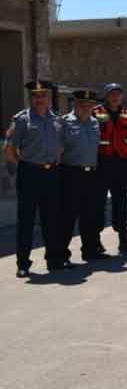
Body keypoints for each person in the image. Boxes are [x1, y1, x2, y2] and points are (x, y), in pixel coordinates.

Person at [4, 80, 63, 277]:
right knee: (26, 220)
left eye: (43, 95)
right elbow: (9, 149)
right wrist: (23, 166)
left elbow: (60, 147)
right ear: (31, 98)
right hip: (30, 173)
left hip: (51, 173)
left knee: (52, 219)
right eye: (36, 96)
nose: (40, 99)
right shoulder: (22, 120)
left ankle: (53, 260)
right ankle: (23, 263)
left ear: (48, 97)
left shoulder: (56, 119)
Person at [57, 89, 104, 264]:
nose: (86, 107)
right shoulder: (63, 122)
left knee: (90, 215)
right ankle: (62, 255)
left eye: (89, 105)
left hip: (91, 173)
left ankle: (90, 251)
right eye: (82, 104)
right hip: (71, 173)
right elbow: (58, 150)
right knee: (67, 216)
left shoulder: (94, 123)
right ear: (74, 104)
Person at [92, 83, 127, 254]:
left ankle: (124, 240)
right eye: (112, 94)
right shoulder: (96, 112)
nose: (115, 97)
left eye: (118, 94)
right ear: (106, 95)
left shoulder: (126, 113)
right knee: (98, 203)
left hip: (120, 164)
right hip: (101, 163)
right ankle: (95, 241)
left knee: (121, 203)